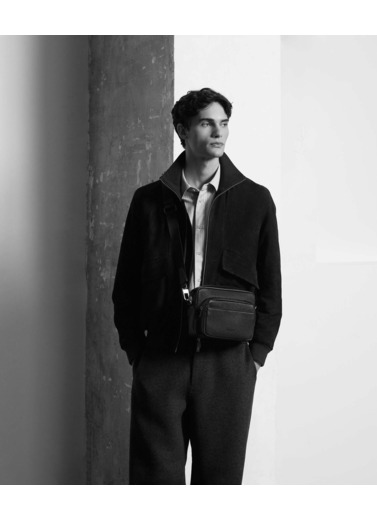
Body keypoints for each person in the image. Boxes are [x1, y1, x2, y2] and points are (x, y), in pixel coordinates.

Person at [112, 87, 282, 484]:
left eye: (224, 123)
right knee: (154, 483)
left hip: (228, 365)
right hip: (161, 360)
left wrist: (255, 355)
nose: (218, 132)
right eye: (207, 123)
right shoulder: (148, 201)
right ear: (182, 130)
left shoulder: (255, 200)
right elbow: (126, 286)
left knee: (219, 483)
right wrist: (137, 351)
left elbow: (271, 286)